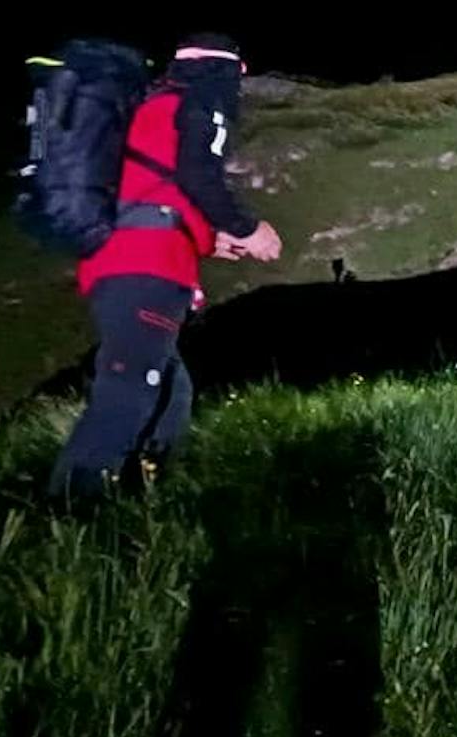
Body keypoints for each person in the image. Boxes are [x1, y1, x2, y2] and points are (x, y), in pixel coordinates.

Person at [49, 34, 282, 501]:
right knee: (131, 388)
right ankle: (73, 514)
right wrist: (247, 227)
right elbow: (199, 175)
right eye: (238, 75)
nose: (238, 87)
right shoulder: (201, 99)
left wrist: (208, 238)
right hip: (146, 268)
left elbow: (156, 188)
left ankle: (145, 499)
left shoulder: (150, 106)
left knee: (171, 395)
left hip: (122, 258)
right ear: (223, 69)